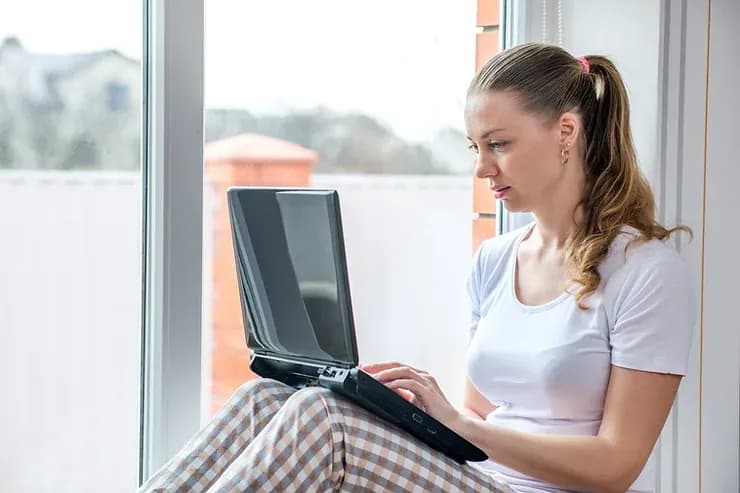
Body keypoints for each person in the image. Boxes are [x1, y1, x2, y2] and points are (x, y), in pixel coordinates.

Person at [139, 42, 694, 493]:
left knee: (325, 422)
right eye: (475, 146)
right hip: (476, 478)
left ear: (566, 132)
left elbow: (617, 466)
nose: (482, 168)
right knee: (265, 400)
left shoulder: (645, 272)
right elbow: (478, 421)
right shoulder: (496, 261)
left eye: (498, 144)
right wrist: (411, 414)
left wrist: (463, 426)